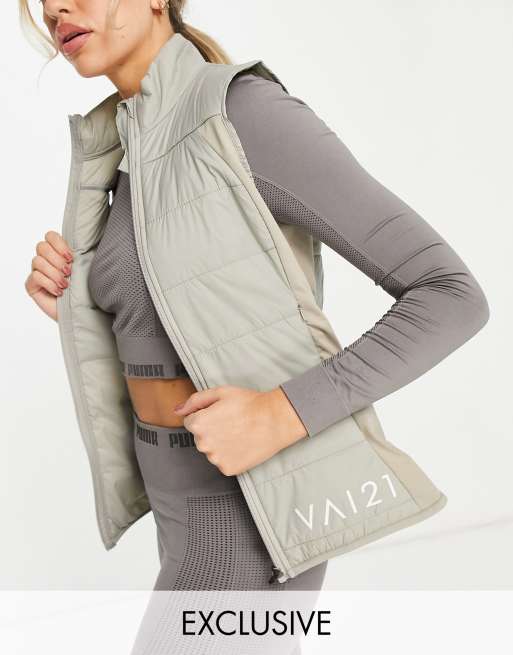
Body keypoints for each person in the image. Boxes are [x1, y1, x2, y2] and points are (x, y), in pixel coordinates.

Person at [23, 0, 489, 596]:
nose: (55, 7)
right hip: (177, 499)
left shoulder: (243, 114)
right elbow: (183, 317)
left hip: (251, 511)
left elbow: (450, 294)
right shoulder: (126, 142)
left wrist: (282, 412)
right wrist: (77, 308)